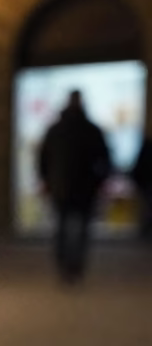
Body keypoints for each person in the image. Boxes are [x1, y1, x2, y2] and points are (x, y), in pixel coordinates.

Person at [38, 89, 112, 283]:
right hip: (82, 186)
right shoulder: (90, 129)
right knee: (78, 229)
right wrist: (100, 180)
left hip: (61, 186)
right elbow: (104, 158)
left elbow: (43, 158)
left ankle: (65, 266)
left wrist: (46, 179)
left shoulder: (56, 129)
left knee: (63, 227)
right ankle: (74, 267)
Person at [131, 136, 152, 238]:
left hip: (146, 183)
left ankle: (145, 230)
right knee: (146, 207)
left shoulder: (147, 146)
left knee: (146, 208)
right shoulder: (147, 146)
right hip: (147, 183)